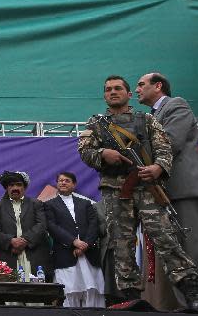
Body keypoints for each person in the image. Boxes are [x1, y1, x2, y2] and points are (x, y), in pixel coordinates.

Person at [78, 75, 198, 309]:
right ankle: (130, 298)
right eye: (108, 89)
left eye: (118, 88)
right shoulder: (96, 124)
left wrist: (157, 167)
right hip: (115, 191)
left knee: (166, 239)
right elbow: (85, 152)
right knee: (121, 245)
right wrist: (103, 154)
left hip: (146, 188)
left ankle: (191, 290)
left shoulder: (147, 120)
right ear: (104, 95)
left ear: (128, 94)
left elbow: (164, 149)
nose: (113, 92)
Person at [136, 72, 198, 265]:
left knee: (188, 250)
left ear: (158, 86)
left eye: (141, 84)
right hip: (162, 192)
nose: (137, 90)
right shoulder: (149, 116)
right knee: (174, 256)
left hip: (180, 189)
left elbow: (170, 142)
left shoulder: (175, 105)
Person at [44, 171, 104, 308]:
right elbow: (52, 227)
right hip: (65, 254)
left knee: (92, 290)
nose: (63, 182)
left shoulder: (85, 203)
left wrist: (86, 245)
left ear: (74, 184)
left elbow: (94, 224)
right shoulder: (49, 204)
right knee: (68, 291)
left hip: (88, 254)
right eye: (60, 180)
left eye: (67, 180)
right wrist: (74, 242)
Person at [0, 170, 51, 280]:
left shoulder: (36, 204)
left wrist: (25, 241)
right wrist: (11, 242)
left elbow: (42, 225)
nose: (15, 188)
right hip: (9, 254)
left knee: (37, 290)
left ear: (24, 187)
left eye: (19, 185)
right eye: (11, 185)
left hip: (34, 253)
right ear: (6, 188)